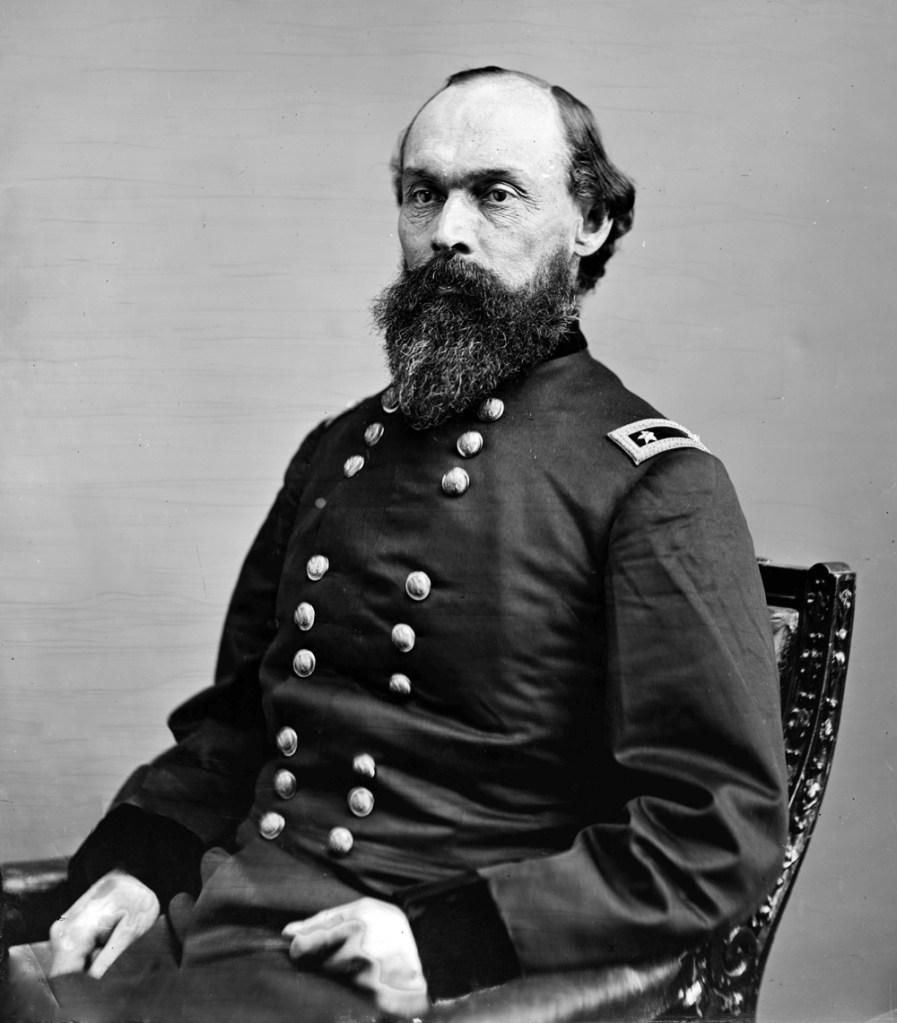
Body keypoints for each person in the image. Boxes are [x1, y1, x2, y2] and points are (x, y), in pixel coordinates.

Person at [19, 66, 788, 1023]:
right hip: (228, 906)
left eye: (495, 194)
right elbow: (244, 718)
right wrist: (145, 863)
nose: (447, 231)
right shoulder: (338, 448)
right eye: (423, 193)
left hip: (407, 959)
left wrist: (449, 943)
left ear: (588, 223)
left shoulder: (650, 483)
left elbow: (715, 828)